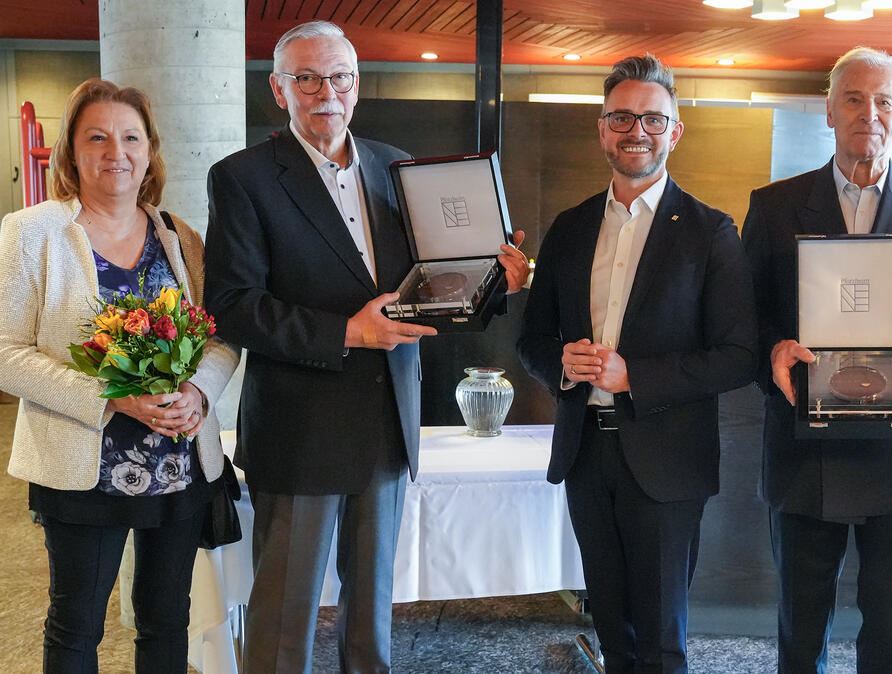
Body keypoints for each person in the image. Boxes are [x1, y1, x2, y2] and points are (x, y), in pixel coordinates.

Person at [203, 20, 527, 673]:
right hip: (300, 433)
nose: (327, 91)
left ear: (358, 84)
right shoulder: (244, 177)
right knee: (282, 627)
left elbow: (429, 291)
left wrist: (498, 284)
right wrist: (350, 331)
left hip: (386, 426)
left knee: (372, 617)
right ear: (279, 89)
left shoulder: (394, 165)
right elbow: (233, 308)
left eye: (340, 76)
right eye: (308, 77)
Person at [740, 46, 892, 673]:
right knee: (801, 621)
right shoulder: (772, 206)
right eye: (853, 98)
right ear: (828, 110)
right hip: (805, 442)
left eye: (883, 102)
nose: (867, 113)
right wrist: (774, 347)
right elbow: (747, 316)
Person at [517, 54, 757, 673]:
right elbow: (533, 340)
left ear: (674, 131)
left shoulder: (710, 232)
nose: (636, 131)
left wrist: (636, 377)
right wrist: (563, 366)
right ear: (602, 129)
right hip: (585, 455)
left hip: (668, 461)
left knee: (660, 637)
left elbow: (739, 356)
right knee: (611, 631)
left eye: (652, 119)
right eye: (621, 117)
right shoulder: (569, 229)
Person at [0, 78, 239, 672]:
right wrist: (114, 397)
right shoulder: (32, 232)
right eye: (98, 137)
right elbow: (5, 351)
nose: (117, 152)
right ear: (72, 151)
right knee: (76, 627)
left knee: (166, 624)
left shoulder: (179, 238)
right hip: (83, 471)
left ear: (150, 150)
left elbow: (221, 335)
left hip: (177, 466)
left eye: (131, 137)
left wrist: (197, 392)